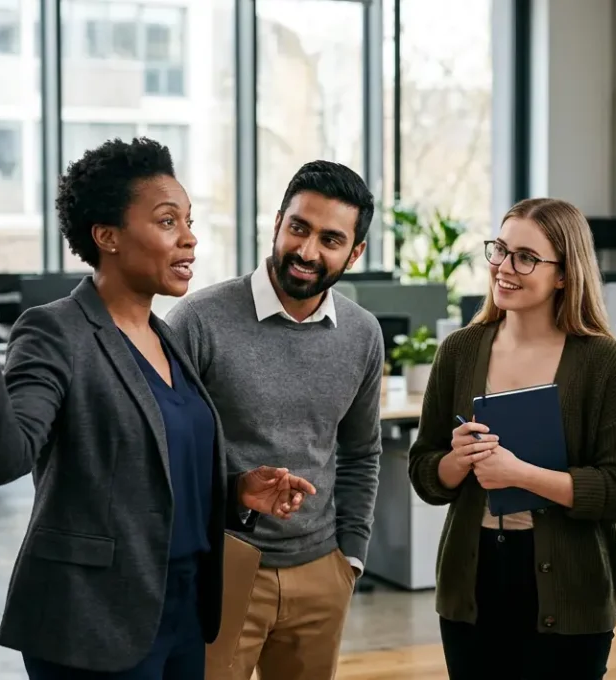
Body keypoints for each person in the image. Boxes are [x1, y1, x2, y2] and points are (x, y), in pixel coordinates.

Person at [0, 137, 315, 680]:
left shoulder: (168, 340)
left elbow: (157, 470)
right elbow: (2, 458)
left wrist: (236, 492)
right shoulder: (56, 330)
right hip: (94, 618)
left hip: (186, 610)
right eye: (168, 222)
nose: (189, 238)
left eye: (188, 221)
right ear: (107, 236)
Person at [408, 197, 616, 680]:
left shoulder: (600, 361)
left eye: (526, 257)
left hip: (571, 586)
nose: (504, 268)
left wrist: (521, 475)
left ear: (564, 274)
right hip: (472, 582)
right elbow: (424, 471)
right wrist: (455, 462)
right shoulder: (460, 350)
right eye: (499, 250)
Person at [165, 160, 384, 680]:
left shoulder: (362, 334)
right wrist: (235, 491)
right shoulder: (197, 322)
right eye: (299, 228)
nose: (308, 251)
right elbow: (167, 458)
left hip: (321, 568)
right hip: (224, 567)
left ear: (354, 253)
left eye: (331, 239)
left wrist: (350, 558)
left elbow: (360, 451)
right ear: (278, 223)